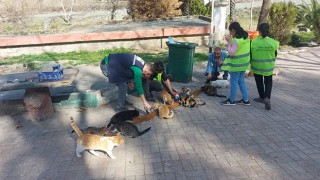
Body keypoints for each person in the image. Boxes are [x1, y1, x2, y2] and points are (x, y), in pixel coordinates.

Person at [221, 22, 251, 106]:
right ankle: (246, 100)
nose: (230, 34)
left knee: (233, 82)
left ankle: (231, 100)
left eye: (230, 32)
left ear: (233, 30)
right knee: (241, 81)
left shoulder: (236, 41)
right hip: (244, 64)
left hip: (236, 65)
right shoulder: (246, 36)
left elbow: (231, 53)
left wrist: (229, 43)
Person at [251, 23, 279, 110]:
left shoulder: (253, 42)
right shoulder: (274, 42)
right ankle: (267, 98)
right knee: (268, 82)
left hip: (257, 66)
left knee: (259, 82)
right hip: (268, 67)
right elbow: (275, 54)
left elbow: (251, 54)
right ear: (268, 31)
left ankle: (262, 97)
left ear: (259, 31)